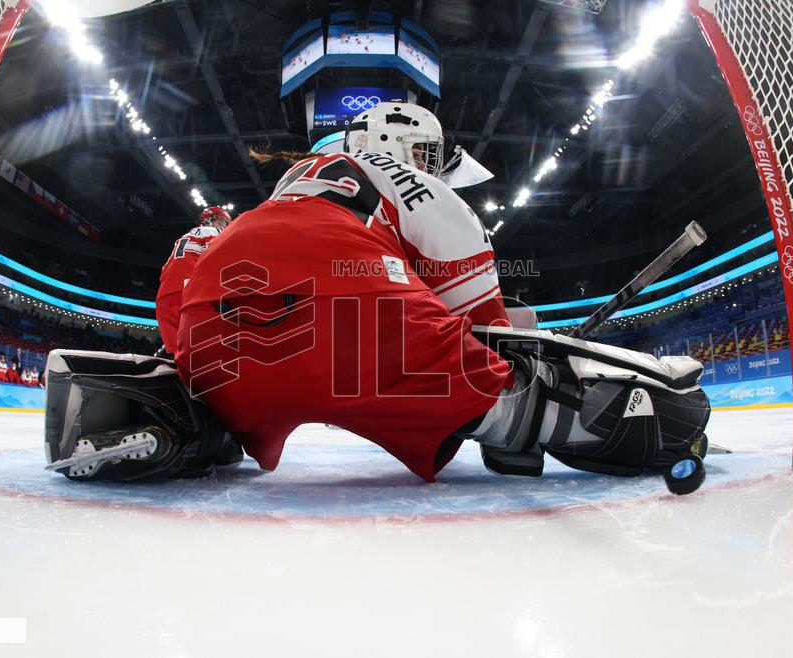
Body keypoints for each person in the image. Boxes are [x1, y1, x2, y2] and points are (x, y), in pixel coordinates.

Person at [45, 102, 710, 493]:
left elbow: (181, 279)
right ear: (401, 146)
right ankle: (648, 421)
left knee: (215, 397)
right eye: (430, 148)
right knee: (518, 395)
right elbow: (491, 337)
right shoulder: (422, 189)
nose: (437, 161)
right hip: (358, 324)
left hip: (214, 323)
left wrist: (188, 356)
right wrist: (505, 380)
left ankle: (187, 423)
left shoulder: (287, 192)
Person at [155, 205, 232, 355]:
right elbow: (218, 259)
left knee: (179, 356)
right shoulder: (211, 232)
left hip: (164, 298)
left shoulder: (183, 238)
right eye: (224, 222)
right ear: (211, 220)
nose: (226, 227)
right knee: (208, 354)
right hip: (189, 295)